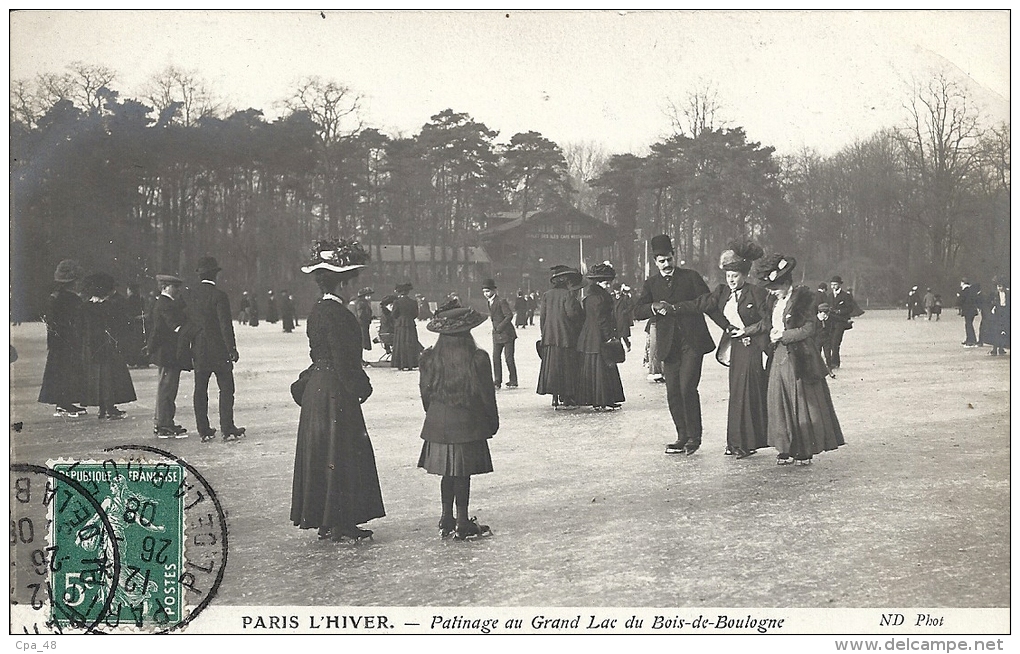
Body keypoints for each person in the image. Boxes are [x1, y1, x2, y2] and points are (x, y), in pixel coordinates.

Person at [291, 238, 384, 542]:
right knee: (343, 452)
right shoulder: (342, 315)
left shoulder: (317, 311)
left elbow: (319, 354)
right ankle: (342, 522)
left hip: (317, 389)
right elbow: (346, 362)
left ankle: (326, 519)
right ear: (343, 284)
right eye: (352, 281)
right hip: (336, 392)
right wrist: (362, 387)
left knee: (324, 453)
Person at [672, 242, 768, 458]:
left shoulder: (756, 293)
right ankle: (735, 442)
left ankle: (748, 443)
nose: (731, 280)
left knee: (747, 393)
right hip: (735, 349)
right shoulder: (722, 292)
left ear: (744, 275)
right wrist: (675, 308)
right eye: (728, 276)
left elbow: (768, 321)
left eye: (735, 276)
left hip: (752, 348)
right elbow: (701, 304)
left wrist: (747, 331)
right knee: (736, 394)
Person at [417, 298, 497, 540]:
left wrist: (434, 416)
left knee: (447, 474)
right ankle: (462, 520)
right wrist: (491, 423)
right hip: (468, 424)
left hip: (438, 424)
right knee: (463, 474)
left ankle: (446, 518)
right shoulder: (478, 358)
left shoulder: (429, 357)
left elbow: (425, 395)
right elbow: (486, 397)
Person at [753, 254, 844, 465]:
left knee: (802, 403)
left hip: (801, 356)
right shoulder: (772, 301)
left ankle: (804, 448)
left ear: (786, 283)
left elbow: (809, 329)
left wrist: (784, 335)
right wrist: (745, 332)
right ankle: (785, 447)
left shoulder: (804, 299)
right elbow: (765, 325)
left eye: (775, 286)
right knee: (779, 402)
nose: (771, 291)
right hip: (778, 356)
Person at [634, 234, 715, 455]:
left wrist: (727, 326)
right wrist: (653, 306)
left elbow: (708, 302)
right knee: (672, 392)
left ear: (674, 256)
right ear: (655, 262)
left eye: (669, 259)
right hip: (669, 344)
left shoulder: (691, 277)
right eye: (662, 261)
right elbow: (637, 310)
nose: (667, 264)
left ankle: (694, 437)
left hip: (692, 341)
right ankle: (682, 435)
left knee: (687, 387)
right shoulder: (651, 283)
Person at [186, 256, 245, 442]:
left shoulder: (190, 295)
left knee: (200, 389)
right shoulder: (219, 296)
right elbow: (225, 325)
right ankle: (227, 428)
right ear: (215, 275)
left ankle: (203, 430)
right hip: (219, 349)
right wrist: (232, 348)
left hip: (199, 348)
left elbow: (187, 321)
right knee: (226, 389)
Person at [79, 273, 137, 420]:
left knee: (97, 377)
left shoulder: (85, 306)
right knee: (109, 377)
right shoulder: (110, 306)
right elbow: (121, 325)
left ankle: (102, 408)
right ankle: (109, 408)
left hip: (90, 346)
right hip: (108, 344)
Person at [38, 259, 88, 417]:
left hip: (56, 341)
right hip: (69, 340)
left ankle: (61, 403)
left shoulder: (54, 297)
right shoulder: (72, 300)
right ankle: (66, 403)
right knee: (69, 371)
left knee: (58, 371)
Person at [576, 262, 626, 411]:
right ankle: (603, 400)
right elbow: (602, 319)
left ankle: (602, 399)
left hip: (589, 337)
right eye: (606, 283)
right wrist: (610, 336)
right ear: (598, 282)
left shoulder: (590, 297)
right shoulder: (600, 298)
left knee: (597, 368)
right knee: (603, 369)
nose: (608, 286)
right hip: (598, 337)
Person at [147, 274, 191, 438]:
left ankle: (164, 422)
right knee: (167, 389)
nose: (178, 290)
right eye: (175, 287)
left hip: (166, 354)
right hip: (168, 354)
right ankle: (164, 424)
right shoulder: (165, 304)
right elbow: (175, 327)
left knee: (166, 388)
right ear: (165, 287)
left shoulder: (166, 303)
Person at [536, 265, 583, 409]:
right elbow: (572, 314)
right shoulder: (567, 295)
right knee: (567, 367)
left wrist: (544, 333)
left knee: (552, 368)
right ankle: (567, 397)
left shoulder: (547, 295)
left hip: (550, 337)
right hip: (566, 336)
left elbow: (542, 317)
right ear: (565, 280)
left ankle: (555, 397)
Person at [481, 279, 517, 389]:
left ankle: (513, 380)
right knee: (496, 357)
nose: (486, 294)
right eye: (484, 292)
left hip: (507, 334)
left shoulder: (501, 301)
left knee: (508, 358)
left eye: (487, 291)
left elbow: (509, 315)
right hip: (496, 334)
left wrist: (500, 327)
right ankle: (497, 381)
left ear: (494, 290)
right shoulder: (489, 302)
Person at [826, 275, 861, 371]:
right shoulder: (829, 296)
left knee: (835, 342)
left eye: (835, 284)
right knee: (829, 342)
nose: (833, 286)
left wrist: (839, 311)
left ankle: (835, 363)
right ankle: (831, 362)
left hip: (840, 322)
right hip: (831, 322)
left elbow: (850, 308)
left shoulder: (845, 296)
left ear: (839, 285)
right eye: (832, 285)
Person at [390, 282, 421, 370]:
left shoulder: (397, 302)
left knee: (401, 344)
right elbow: (415, 314)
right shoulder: (413, 302)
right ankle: (411, 364)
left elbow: (394, 315)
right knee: (410, 344)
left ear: (399, 292)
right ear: (408, 292)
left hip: (400, 325)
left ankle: (401, 364)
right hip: (410, 324)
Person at [122, 283, 149, 367]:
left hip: (132, 324)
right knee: (141, 342)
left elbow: (127, 314)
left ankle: (133, 360)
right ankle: (143, 361)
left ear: (129, 290)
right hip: (141, 323)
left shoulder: (128, 300)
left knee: (133, 343)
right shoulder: (142, 299)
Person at [987, 277, 1009, 356]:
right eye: (998, 286)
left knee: (1004, 331)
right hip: (997, 314)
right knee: (996, 331)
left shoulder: (1008, 293)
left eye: (1000, 286)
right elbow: (989, 303)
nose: (999, 288)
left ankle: (1001, 348)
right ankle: (995, 349)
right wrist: (992, 308)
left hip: (1005, 313)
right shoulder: (994, 294)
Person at [353, 287, 375, 359]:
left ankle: (360, 359)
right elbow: (361, 315)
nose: (370, 297)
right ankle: (360, 360)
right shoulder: (361, 303)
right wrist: (368, 318)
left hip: (363, 325)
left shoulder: (362, 303)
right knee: (361, 342)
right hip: (361, 325)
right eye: (368, 296)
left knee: (361, 342)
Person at [613, 283, 635, 352]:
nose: (617, 291)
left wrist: (625, 312)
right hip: (615, 318)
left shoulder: (625, 297)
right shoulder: (612, 297)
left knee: (624, 335)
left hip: (623, 318)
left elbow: (631, 305)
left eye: (618, 290)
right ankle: (619, 349)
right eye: (615, 290)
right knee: (617, 335)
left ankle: (628, 344)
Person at [957, 278, 979, 346]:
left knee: (968, 325)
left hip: (967, 310)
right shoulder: (971, 290)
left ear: (963, 283)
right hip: (972, 310)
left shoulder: (964, 291)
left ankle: (971, 340)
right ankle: (970, 339)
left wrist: (958, 296)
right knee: (969, 324)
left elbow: (961, 301)